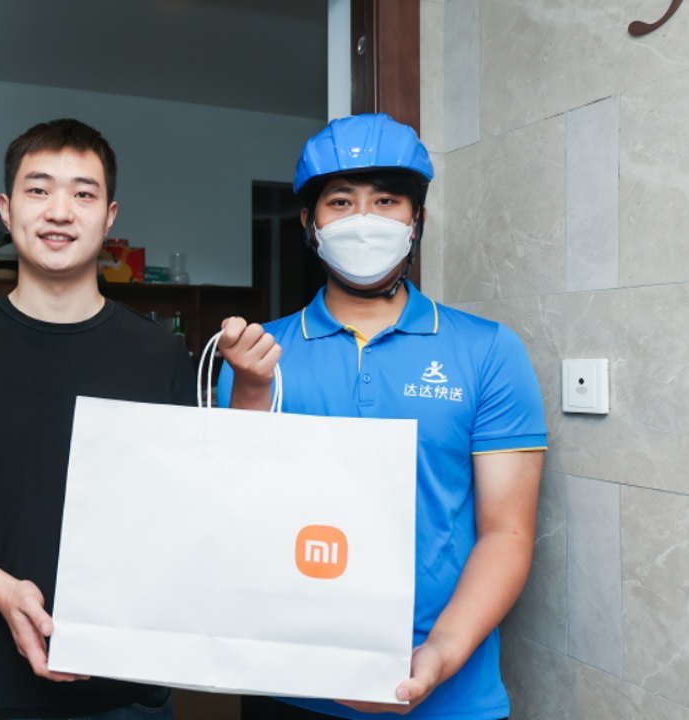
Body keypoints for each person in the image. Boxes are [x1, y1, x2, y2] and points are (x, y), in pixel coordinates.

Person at [217, 113, 547, 720]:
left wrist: (440, 654)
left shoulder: (489, 351)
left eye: (386, 201)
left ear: (417, 220)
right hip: (288, 685)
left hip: (454, 695)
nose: (364, 220)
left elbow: (507, 531)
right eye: (341, 201)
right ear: (309, 223)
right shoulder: (256, 356)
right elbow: (231, 514)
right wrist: (250, 392)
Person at [0, 118, 195, 720]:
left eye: (83, 193)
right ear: (6, 209)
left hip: (129, 690)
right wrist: (4, 592)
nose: (59, 211)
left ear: (109, 216)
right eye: (38, 189)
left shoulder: (160, 356)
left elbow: (188, 510)